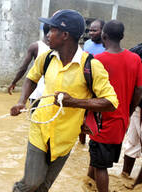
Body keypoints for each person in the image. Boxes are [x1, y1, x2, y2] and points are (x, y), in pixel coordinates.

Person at [10, 10, 118, 192]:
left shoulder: (91, 66)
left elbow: (111, 102)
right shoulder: (46, 58)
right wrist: (22, 101)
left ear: (65, 35)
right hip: (40, 130)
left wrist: (74, 102)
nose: (47, 35)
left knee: (43, 187)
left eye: (51, 30)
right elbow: (31, 78)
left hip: (66, 137)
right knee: (31, 183)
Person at [85, 20, 142, 192]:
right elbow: (139, 91)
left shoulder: (97, 60)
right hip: (121, 121)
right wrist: (129, 111)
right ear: (123, 37)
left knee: (101, 166)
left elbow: (88, 92)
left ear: (104, 36)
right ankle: (87, 184)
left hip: (101, 121)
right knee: (96, 159)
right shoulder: (135, 59)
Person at [7, 23, 50, 109]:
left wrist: (14, 82)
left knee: (35, 119)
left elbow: (23, 68)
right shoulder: (60, 49)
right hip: (50, 94)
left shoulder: (35, 46)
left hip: (37, 92)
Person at [79, 19, 106, 144]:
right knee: (81, 117)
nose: (91, 33)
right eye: (89, 30)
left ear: (102, 31)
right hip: (84, 86)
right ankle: (81, 144)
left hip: (99, 88)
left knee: (96, 119)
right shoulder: (88, 43)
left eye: (94, 30)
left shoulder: (106, 47)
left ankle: (94, 143)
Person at [121, 43, 142, 189]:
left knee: (132, 142)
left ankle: (136, 185)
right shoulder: (138, 50)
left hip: (137, 103)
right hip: (138, 105)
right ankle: (125, 177)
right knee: (132, 142)